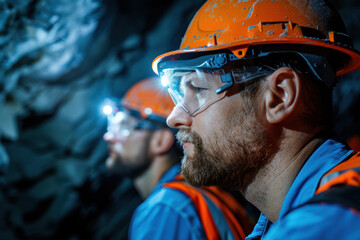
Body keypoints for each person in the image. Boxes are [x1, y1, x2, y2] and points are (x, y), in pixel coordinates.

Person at [152, 0, 360, 239]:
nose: (173, 118)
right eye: (179, 95)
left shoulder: (322, 225)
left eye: (198, 89)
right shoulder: (283, 224)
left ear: (279, 97)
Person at [103, 78, 254, 240]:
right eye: (111, 127)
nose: (108, 137)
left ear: (161, 141)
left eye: (125, 128)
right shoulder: (206, 193)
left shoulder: (163, 209)